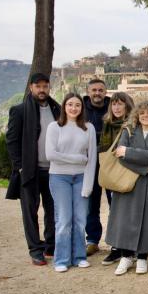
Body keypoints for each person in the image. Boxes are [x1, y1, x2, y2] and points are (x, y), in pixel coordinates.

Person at [105, 101, 148, 275]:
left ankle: (142, 257)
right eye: (142, 113)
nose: (145, 116)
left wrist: (129, 152)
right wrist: (144, 168)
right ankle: (126, 257)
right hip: (129, 181)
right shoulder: (128, 131)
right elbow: (120, 156)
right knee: (126, 220)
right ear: (137, 116)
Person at [6, 73, 61, 266]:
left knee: (52, 209)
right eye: (38, 86)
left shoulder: (57, 109)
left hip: (53, 169)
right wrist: (19, 167)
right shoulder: (19, 111)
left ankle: (50, 245)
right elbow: (11, 141)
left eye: (45, 86)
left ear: (49, 88)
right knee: (30, 211)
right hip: (30, 170)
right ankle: (35, 249)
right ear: (31, 87)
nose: (42, 90)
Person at [45, 93, 97, 272]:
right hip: (59, 177)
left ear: (82, 108)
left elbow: (91, 159)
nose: (73, 108)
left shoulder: (88, 128)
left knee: (80, 220)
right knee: (64, 220)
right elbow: (51, 155)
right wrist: (77, 159)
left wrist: (88, 185)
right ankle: (61, 260)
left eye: (77, 105)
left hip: (81, 178)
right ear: (64, 107)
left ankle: (79, 257)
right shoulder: (55, 127)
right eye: (70, 104)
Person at [98, 92, 135, 266]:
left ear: (127, 106)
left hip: (127, 172)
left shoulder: (133, 125)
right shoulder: (107, 124)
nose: (117, 108)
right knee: (114, 212)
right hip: (111, 173)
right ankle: (116, 247)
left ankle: (129, 248)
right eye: (114, 104)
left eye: (121, 104)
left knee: (128, 212)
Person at [83, 79, 110, 257]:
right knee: (91, 204)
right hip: (89, 162)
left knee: (115, 202)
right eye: (94, 90)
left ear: (105, 91)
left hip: (110, 161)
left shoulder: (113, 106)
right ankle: (92, 240)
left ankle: (117, 240)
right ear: (88, 91)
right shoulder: (81, 109)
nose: (97, 93)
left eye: (100, 90)